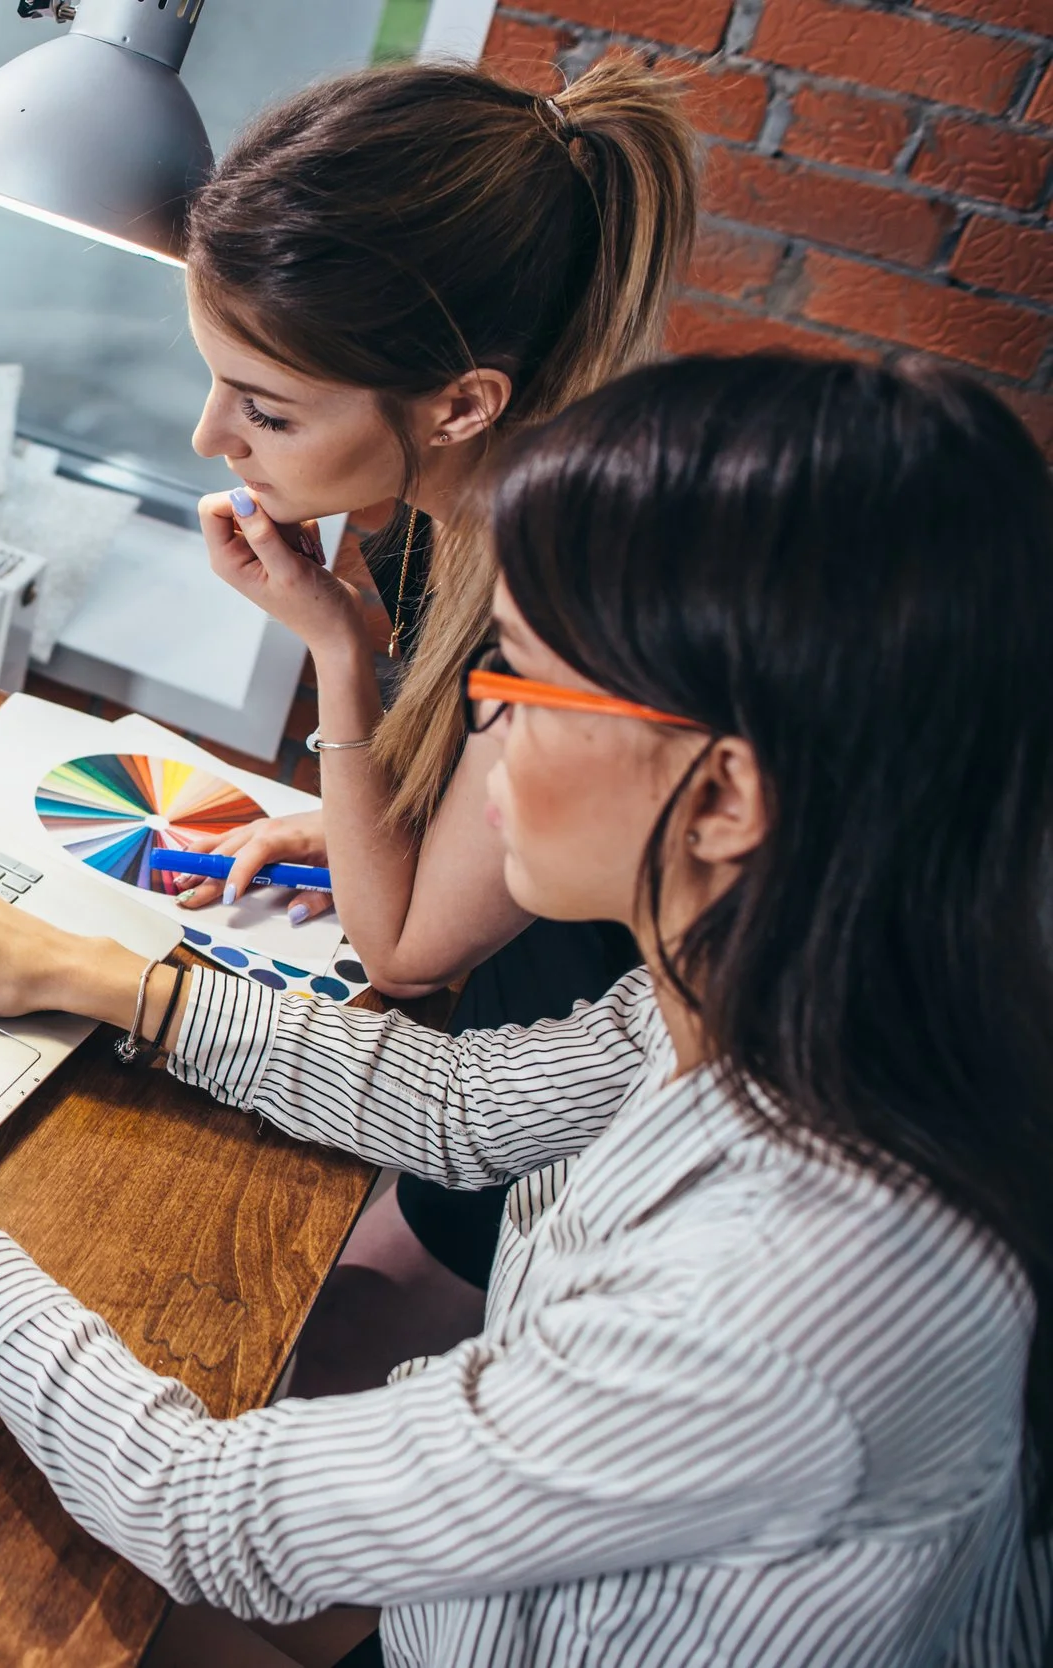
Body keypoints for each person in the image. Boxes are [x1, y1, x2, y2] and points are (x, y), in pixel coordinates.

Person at [0, 356, 1053, 1663]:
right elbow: (468, 1107)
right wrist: (97, 976)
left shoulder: (784, 1308)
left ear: (728, 797)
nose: (480, 730)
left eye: (521, 684)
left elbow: (201, 1508)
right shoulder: (770, 988)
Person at [166, 56, 699, 1323]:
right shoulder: (438, 506)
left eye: (267, 411)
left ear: (462, 404)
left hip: (545, 1154)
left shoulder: (570, 603)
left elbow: (402, 950)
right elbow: (455, 801)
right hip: (500, 1088)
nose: (210, 441)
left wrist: (337, 652)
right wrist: (379, 810)